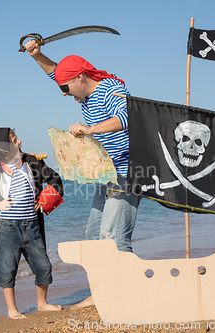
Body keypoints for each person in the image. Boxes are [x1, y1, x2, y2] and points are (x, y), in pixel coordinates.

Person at [24, 40, 140, 309]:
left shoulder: (112, 89)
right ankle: (102, 290)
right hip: (106, 174)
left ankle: (120, 294)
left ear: (80, 78)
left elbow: (128, 117)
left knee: (114, 236)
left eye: (66, 87)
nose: (64, 93)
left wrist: (90, 130)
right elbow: (56, 72)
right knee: (93, 235)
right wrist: (36, 54)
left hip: (127, 172)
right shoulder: (83, 91)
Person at [0, 127, 64, 319]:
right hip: (8, 228)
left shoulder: (33, 163)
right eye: (14, 140)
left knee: (43, 266)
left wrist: (43, 201)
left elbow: (55, 179)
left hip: (32, 226)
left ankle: (42, 303)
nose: (19, 142)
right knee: (7, 269)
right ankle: (12, 310)